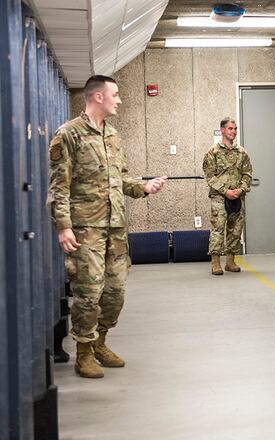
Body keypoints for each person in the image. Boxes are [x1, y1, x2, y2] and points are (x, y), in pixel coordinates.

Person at [48, 75, 167, 378]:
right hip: (85, 229)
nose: (119, 100)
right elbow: (59, 187)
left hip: (115, 228)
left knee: (115, 292)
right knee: (88, 292)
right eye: (115, 94)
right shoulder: (68, 134)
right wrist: (63, 226)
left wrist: (144, 187)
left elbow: (121, 177)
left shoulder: (112, 135)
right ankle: (84, 353)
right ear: (98, 97)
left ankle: (100, 342)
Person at [203, 117, 253, 275]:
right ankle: (216, 262)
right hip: (219, 197)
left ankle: (230, 261)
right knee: (218, 230)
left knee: (235, 230)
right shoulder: (213, 152)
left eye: (235, 128)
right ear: (222, 130)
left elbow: (247, 174)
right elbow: (210, 176)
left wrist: (241, 189)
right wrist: (226, 191)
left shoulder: (242, 152)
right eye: (230, 128)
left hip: (238, 197)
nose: (234, 131)